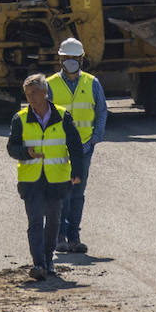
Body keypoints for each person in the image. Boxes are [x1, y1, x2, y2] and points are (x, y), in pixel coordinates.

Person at [7, 73, 84, 281]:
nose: (30, 97)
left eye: (34, 93)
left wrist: (77, 173)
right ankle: (39, 264)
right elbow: (11, 148)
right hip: (31, 181)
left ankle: (48, 260)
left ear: (44, 93)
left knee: (53, 222)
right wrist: (26, 153)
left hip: (57, 180)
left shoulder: (62, 116)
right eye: (27, 94)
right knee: (34, 222)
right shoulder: (20, 118)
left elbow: (75, 148)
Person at [48, 37, 107, 253]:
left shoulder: (92, 83)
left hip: (83, 149)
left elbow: (101, 111)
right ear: (60, 59)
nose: (70, 61)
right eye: (67, 58)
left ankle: (74, 236)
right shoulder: (51, 84)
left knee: (77, 193)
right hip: (59, 148)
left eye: (74, 58)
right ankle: (59, 236)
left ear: (81, 59)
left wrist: (95, 138)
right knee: (61, 192)